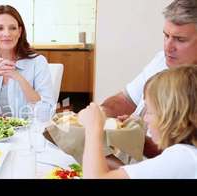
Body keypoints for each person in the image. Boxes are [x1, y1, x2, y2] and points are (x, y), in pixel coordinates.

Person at [100, 0, 197, 161]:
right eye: (166, 36)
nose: (168, 46)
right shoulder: (162, 60)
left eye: (180, 39)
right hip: (127, 158)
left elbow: (184, 160)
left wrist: (138, 141)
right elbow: (125, 99)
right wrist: (103, 113)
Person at [78, 65, 197, 178]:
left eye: (150, 112)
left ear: (173, 117)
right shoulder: (186, 157)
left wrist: (93, 128)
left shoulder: (182, 157)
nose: (145, 118)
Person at [0, 5, 54, 119]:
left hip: (28, 133)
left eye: (12, 28)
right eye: (0, 28)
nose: (7, 33)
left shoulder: (38, 62)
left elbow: (45, 114)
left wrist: (18, 77)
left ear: (20, 32)